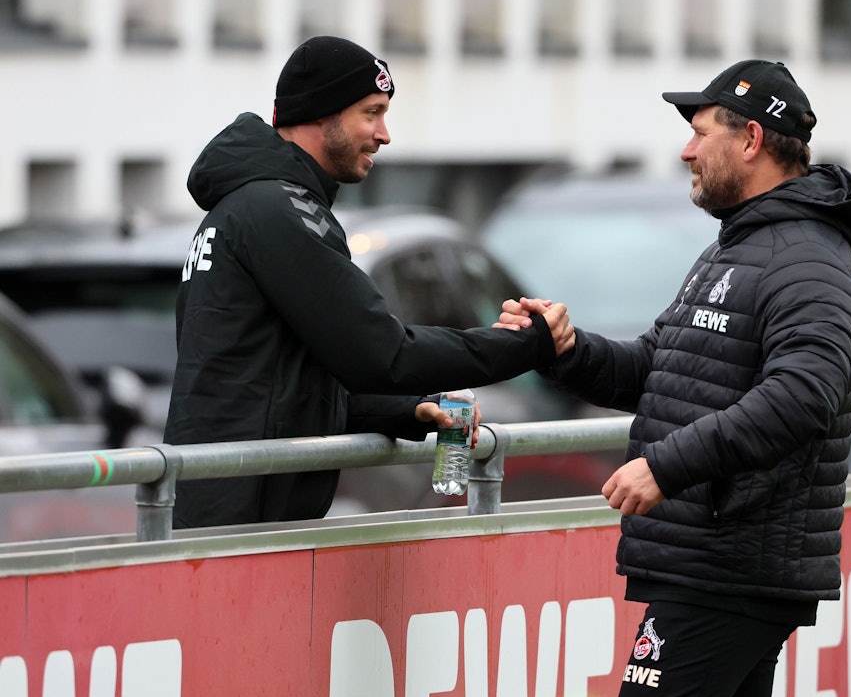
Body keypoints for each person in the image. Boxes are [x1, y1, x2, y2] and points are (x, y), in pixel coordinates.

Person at [496, 59, 851, 697]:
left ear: (751, 140)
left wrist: (666, 465)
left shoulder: (809, 255)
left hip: (730, 568)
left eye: (700, 131)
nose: (685, 150)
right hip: (713, 565)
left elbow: (803, 395)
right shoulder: (738, 246)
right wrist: (563, 348)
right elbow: (661, 373)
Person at [164, 35, 574, 529]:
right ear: (322, 114)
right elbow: (384, 354)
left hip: (238, 510)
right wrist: (524, 344)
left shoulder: (252, 207)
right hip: (242, 524)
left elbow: (282, 385)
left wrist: (408, 411)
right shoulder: (277, 211)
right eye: (371, 113)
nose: (384, 134)